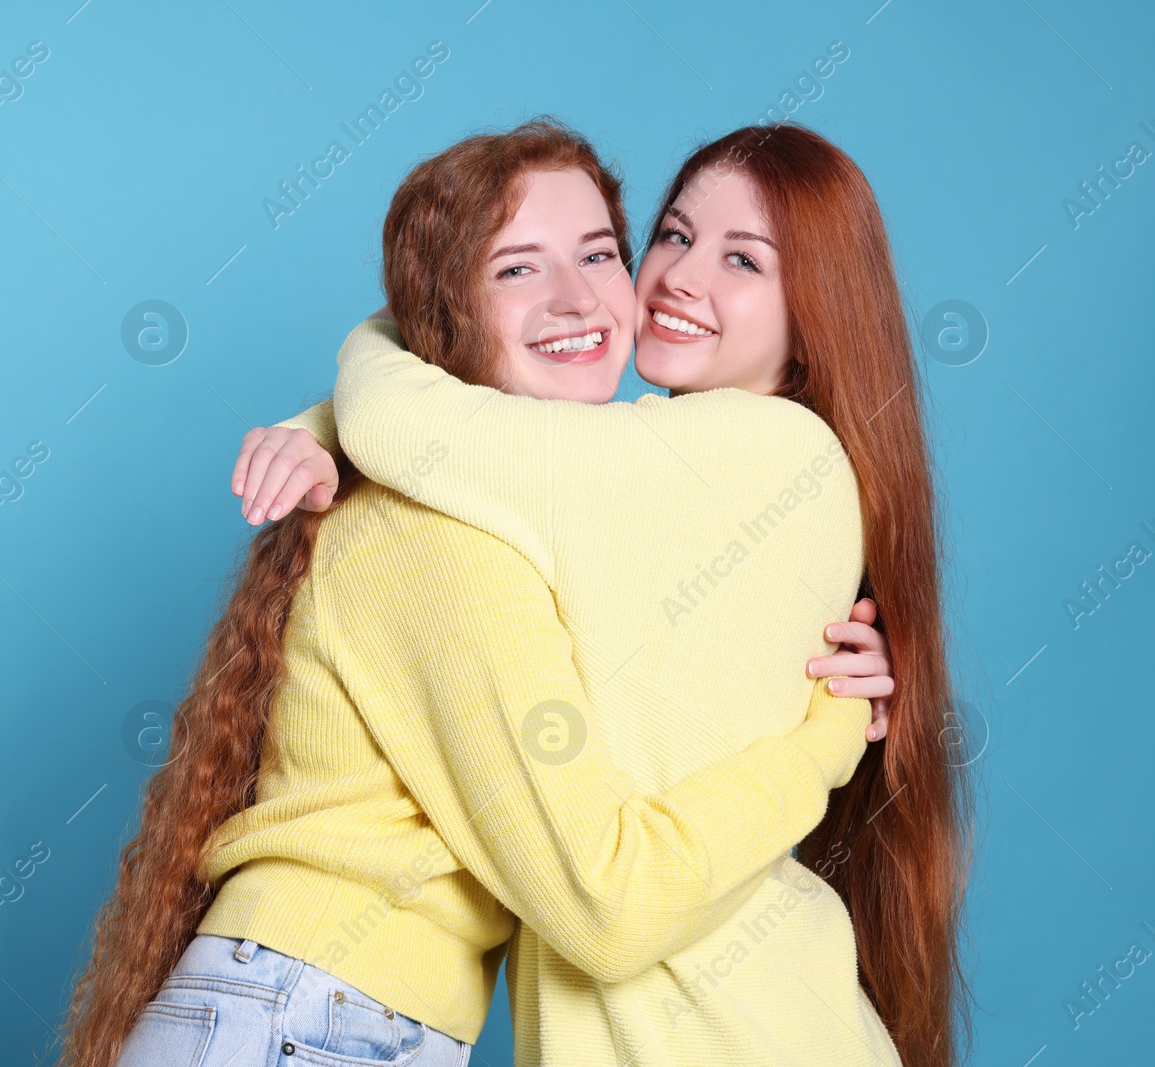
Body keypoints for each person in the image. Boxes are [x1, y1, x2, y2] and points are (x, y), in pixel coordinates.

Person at [55, 120, 887, 1067]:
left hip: (316, 1013)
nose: (580, 297)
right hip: (310, 1019)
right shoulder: (448, 542)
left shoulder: (551, 495)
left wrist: (340, 399)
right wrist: (828, 737)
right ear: (446, 309)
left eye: (599, 253)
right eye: (516, 269)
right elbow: (603, 901)